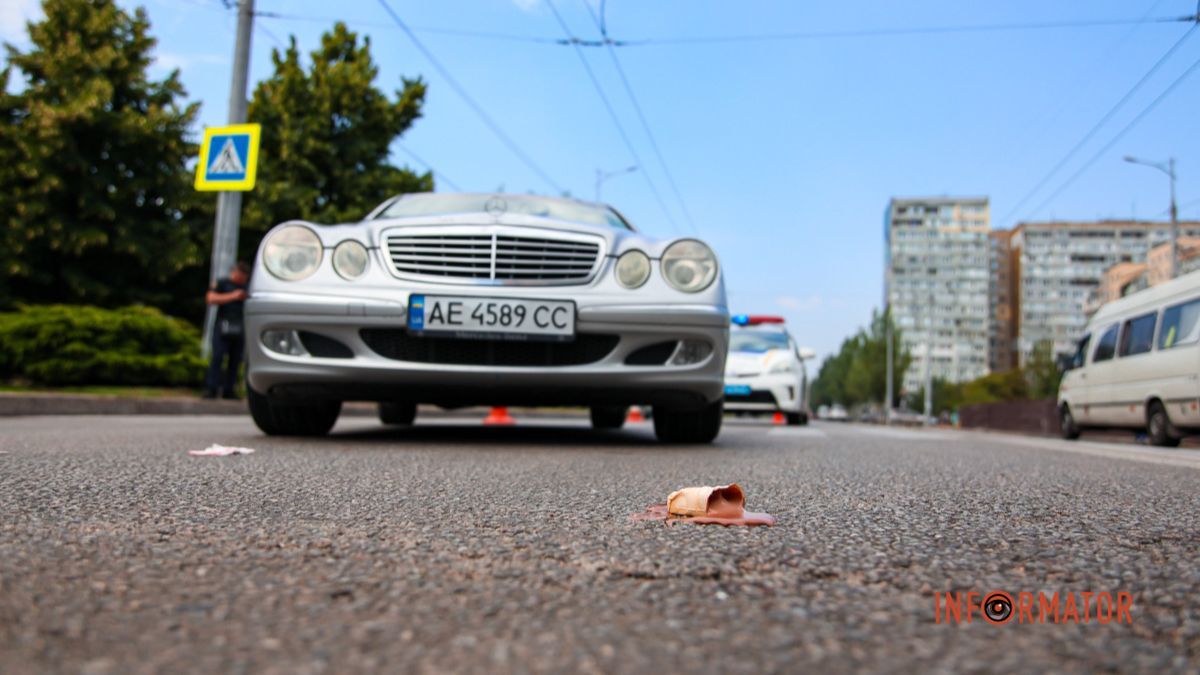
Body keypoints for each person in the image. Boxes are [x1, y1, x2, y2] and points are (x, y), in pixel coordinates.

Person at [203, 261, 250, 400]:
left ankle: (229, 390)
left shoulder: (248, 288)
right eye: (241, 274)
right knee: (217, 357)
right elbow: (210, 298)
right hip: (222, 327)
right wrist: (233, 296)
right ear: (234, 272)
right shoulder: (223, 283)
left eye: (245, 276)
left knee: (235, 360)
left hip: (240, 327)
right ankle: (211, 389)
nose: (242, 278)